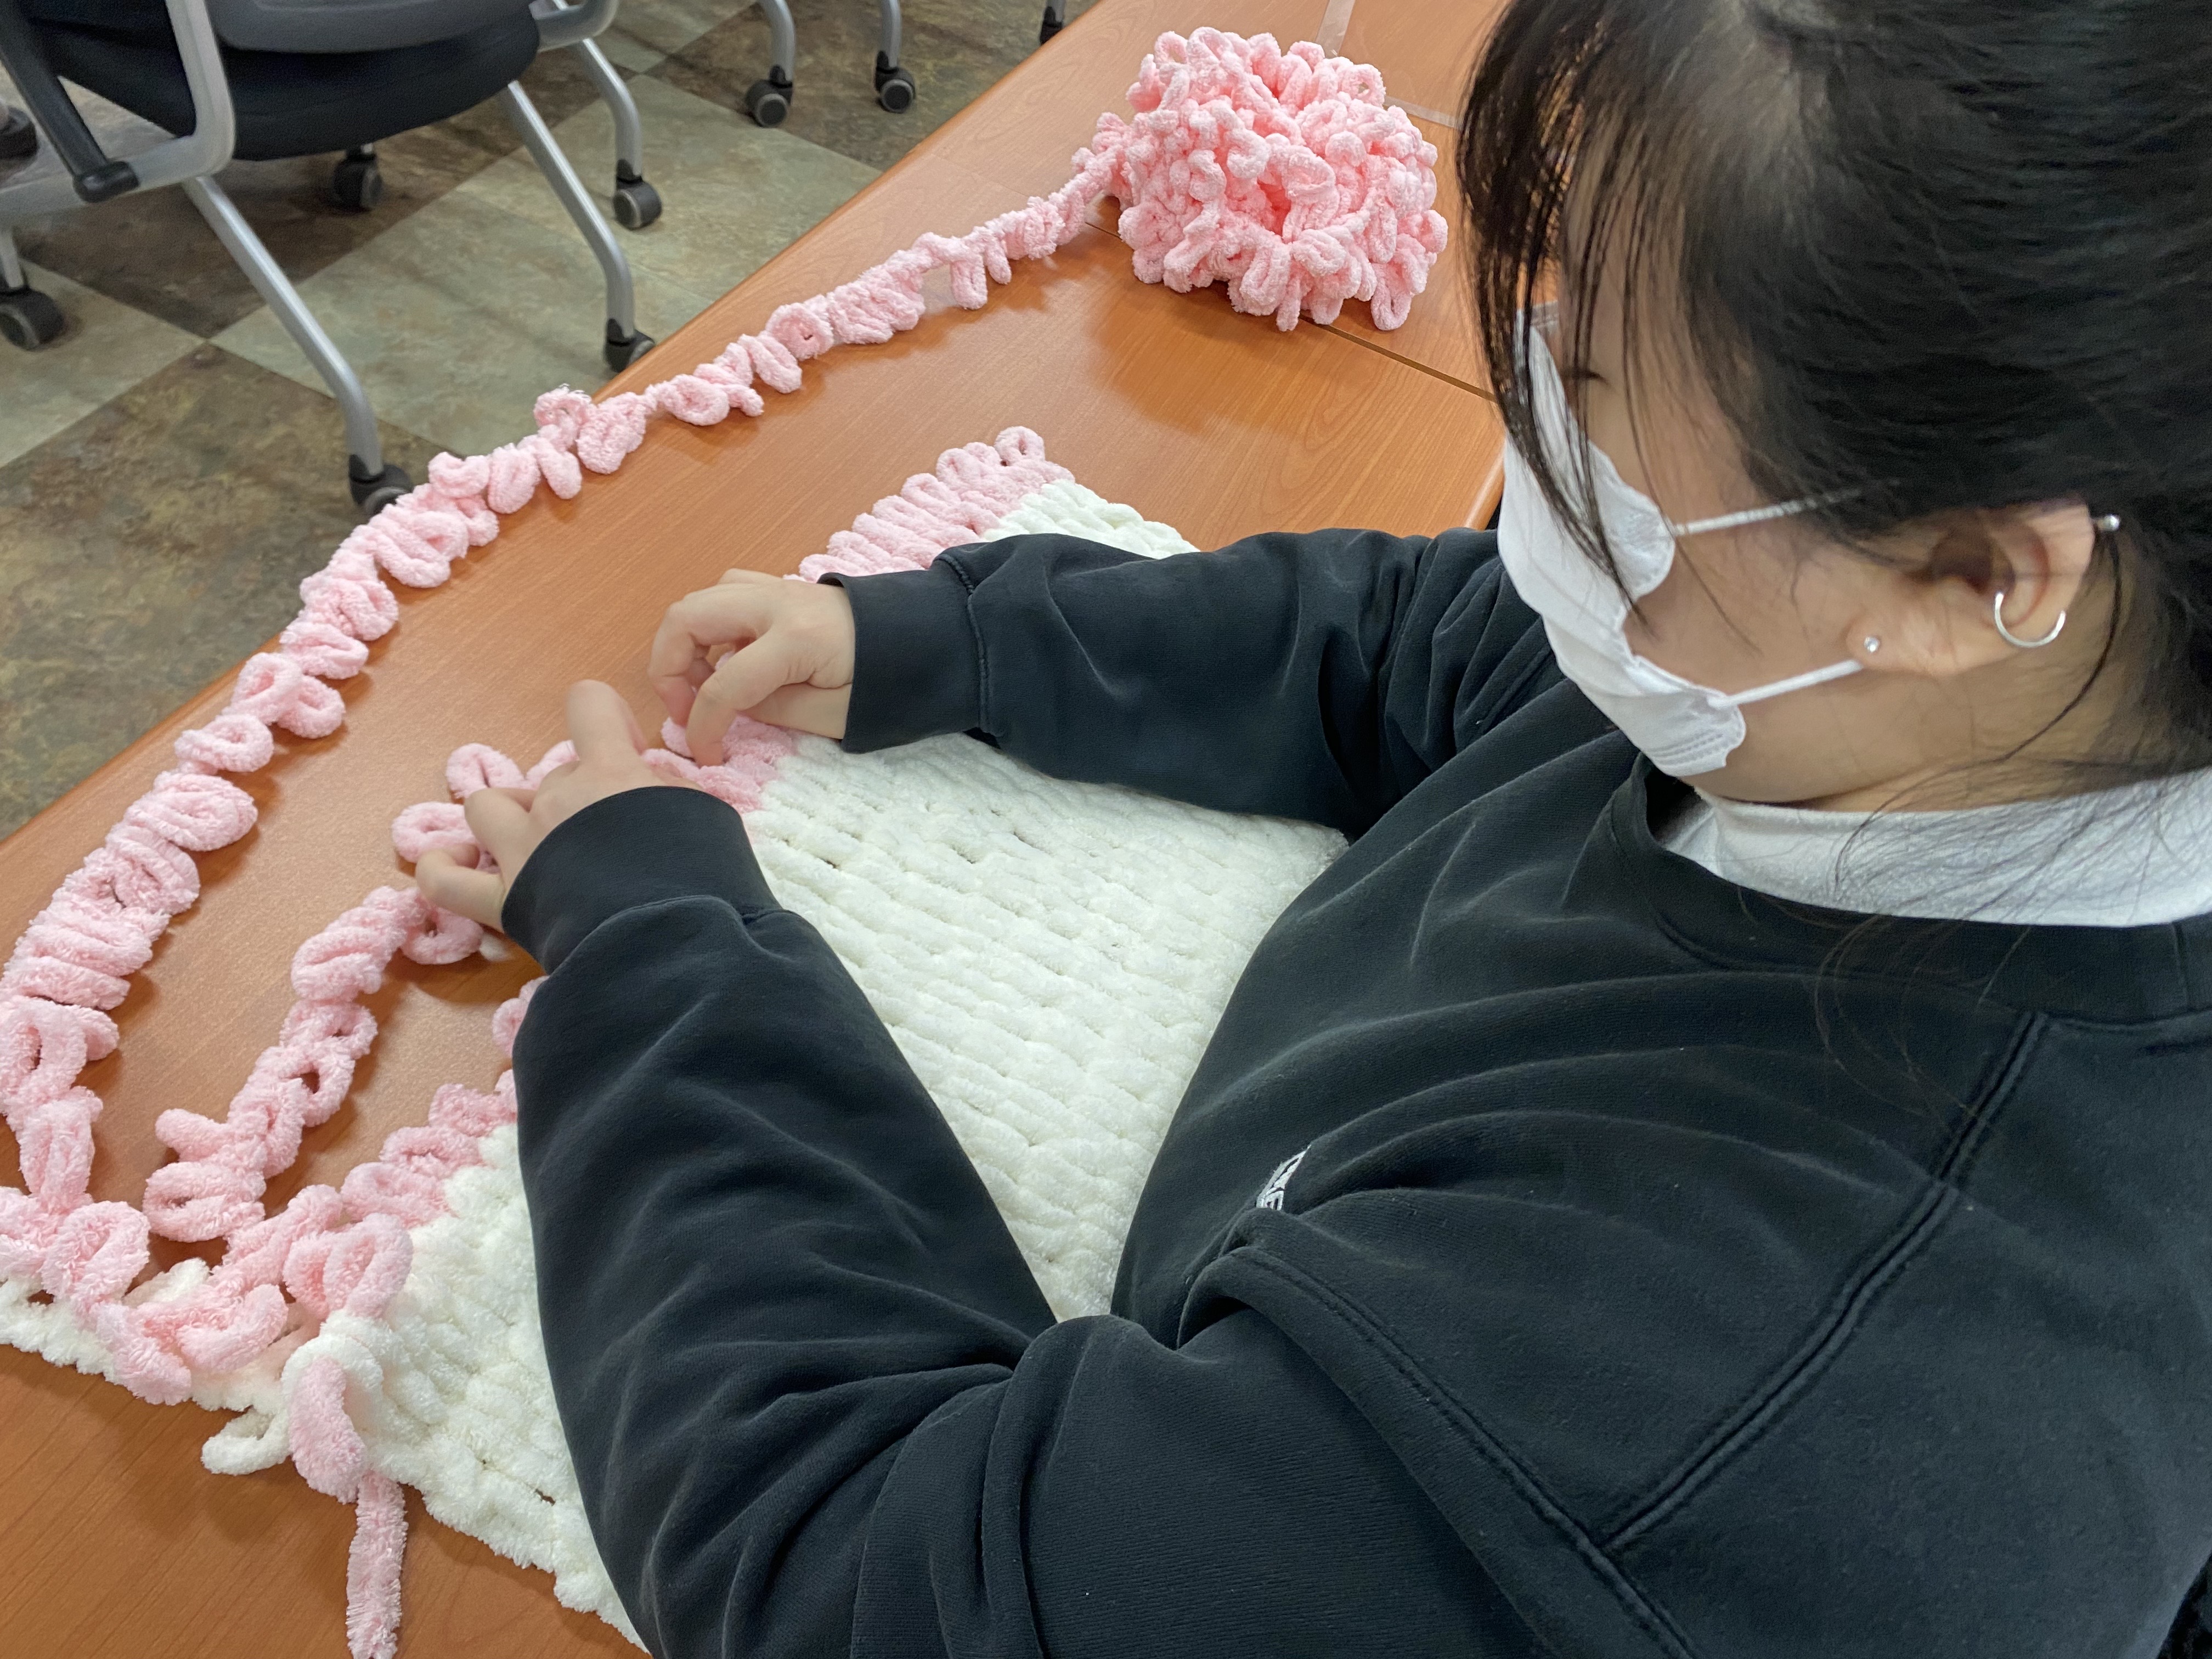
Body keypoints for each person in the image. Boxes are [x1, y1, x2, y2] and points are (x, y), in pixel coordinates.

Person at [416, 0, 2212, 1653]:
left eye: (1593, 392)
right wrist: (957, 641)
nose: (1534, 388)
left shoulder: (1730, 1415)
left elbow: (871, 1578)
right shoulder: (1901, 702)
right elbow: (1436, 643)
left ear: (1975, 575)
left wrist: (655, 937)